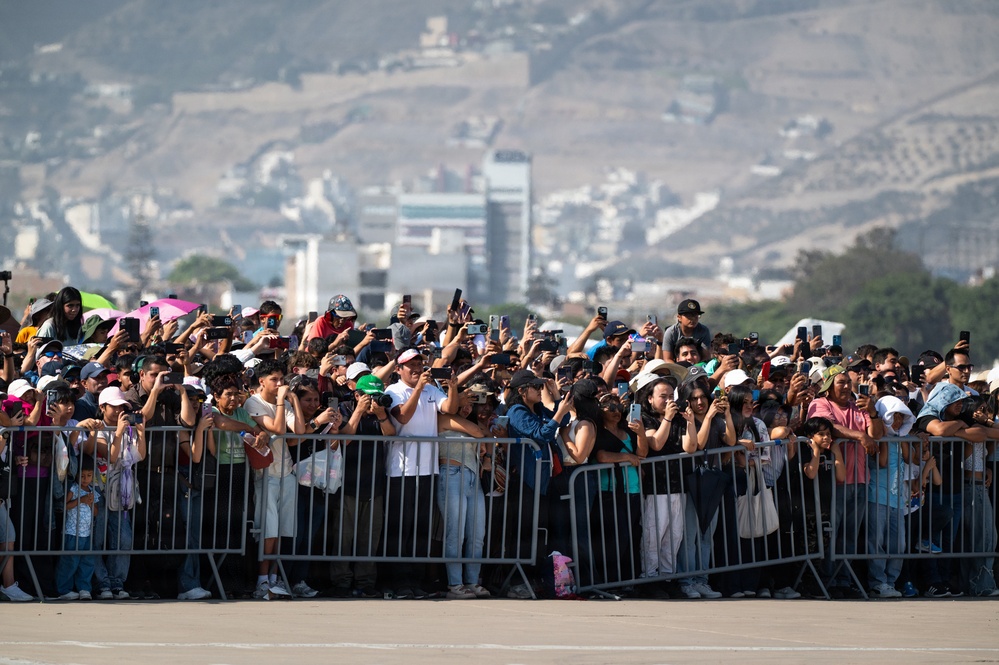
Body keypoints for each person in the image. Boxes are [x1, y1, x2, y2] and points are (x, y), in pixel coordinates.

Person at [384, 348, 458, 599]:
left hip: (428, 468)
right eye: (409, 365)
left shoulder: (431, 388)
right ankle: (399, 581)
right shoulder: (393, 391)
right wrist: (417, 389)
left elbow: (449, 408)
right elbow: (402, 417)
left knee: (421, 528)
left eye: (419, 363)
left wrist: (453, 386)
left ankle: (415, 580)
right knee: (401, 528)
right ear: (399, 369)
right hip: (401, 470)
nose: (416, 368)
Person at [807, 365, 884, 595]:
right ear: (829, 386)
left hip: (859, 479)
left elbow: (877, 436)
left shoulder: (858, 407)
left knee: (850, 535)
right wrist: (860, 435)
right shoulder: (820, 404)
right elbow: (829, 429)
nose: (846, 387)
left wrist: (872, 413)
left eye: (848, 382)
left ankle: (844, 581)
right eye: (840, 382)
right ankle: (827, 582)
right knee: (831, 534)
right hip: (833, 482)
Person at [243, 358, 306, 599]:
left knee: (282, 529)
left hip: (286, 472)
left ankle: (274, 578)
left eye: (282, 379)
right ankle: (261, 580)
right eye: (274, 380)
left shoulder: (285, 402)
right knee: (267, 529)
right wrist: (281, 401)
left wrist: (293, 401)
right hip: (266, 473)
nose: (280, 383)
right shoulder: (253, 402)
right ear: (262, 381)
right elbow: (278, 429)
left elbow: (299, 431)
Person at [79, 386, 147, 600]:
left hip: (120, 492)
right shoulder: (98, 429)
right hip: (98, 490)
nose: (120, 411)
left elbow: (140, 456)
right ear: (102, 407)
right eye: (115, 406)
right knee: (97, 538)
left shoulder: (127, 429)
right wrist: (117, 433)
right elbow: (111, 456)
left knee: (124, 538)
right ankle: (102, 584)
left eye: (123, 407)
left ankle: (117, 583)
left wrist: (141, 434)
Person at [334, 373, 394, 598]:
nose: (373, 400)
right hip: (347, 483)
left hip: (374, 484)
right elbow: (344, 439)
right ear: (357, 394)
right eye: (369, 396)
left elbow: (391, 436)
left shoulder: (380, 412)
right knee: (343, 537)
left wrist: (381, 415)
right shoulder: (345, 408)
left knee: (369, 538)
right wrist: (359, 410)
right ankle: (341, 582)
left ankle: (366, 582)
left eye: (377, 396)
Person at [866, 395, 914, 598]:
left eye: (901, 417)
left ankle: (891, 581)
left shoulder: (900, 437)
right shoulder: (878, 437)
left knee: (899, 544)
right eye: (894, 416)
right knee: (876, 541)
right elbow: (883, 462)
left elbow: (910, 458)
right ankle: (878, 582)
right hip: (877, 495)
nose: (898, 421)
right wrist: (885, 437)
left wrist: (901, 436)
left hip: (896, 498)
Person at [54, 458, 99, 601]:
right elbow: (65, 507)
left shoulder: (92, 491)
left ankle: (84, 588)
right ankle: (64, 589)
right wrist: (81, 500)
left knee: (87, 562)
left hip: (87, 534)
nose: (86, 479)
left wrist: (91, 503)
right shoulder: (73, 489)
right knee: (70, 561)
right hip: (72, 532)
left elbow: (96, 512)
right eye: (83, 475)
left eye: (89, 475)